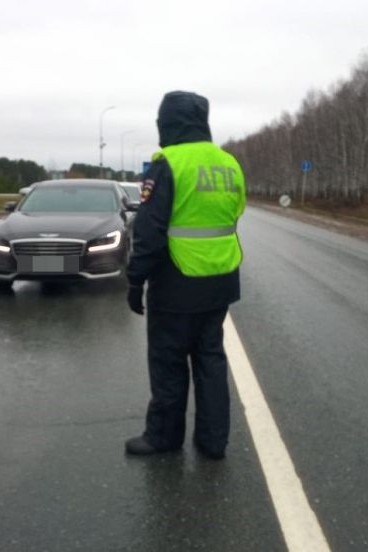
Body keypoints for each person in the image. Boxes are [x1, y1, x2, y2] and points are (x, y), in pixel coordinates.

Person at [125, 90, 246, 460]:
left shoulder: (169, 163)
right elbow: (235, 211)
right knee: (210, 359)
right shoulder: (228, 163)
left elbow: (149, 229)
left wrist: (135, 278)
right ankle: (213, 442)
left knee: (169, 362)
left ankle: (164, 437)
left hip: (176, 282)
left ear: (168, 123)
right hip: (221, 278)